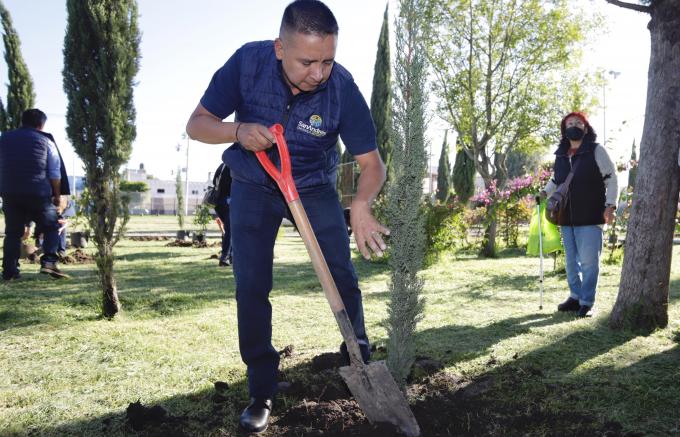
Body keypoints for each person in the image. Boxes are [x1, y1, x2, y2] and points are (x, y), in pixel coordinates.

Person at [186, 1, 388, 433]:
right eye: (307, 61)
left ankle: (358, 356)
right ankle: (261, 388)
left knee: (341, 273)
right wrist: (238, 132)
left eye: (328, 60)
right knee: (252, 284)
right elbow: (197, 125)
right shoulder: (247, 63)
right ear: (280, 48)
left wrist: (363, 204)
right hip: (254, 186)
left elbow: (373, 164)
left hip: (313, 188)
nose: (318, 73)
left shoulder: (342, 89)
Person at [541, 112, 617, 318]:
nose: (574, 126)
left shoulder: (596, 150)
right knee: (571, 262)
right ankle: (575, 297)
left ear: (585, 127)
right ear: (564, 129)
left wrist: (611, 205)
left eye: (578, 123)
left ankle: (587, 301)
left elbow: (611, 178)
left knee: (589, 261)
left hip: (591, 215)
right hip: (565, 216)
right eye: (569, 123)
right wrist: (543, 193)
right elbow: (557, 180)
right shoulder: (561, 154)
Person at [0, 109, 70, 280]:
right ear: (41, 125)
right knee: (52, 226)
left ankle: (10, 271)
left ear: (22, 122)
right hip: (38, 192)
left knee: (13, 233)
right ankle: (49, 263)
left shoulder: (3, 138)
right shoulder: (46, 141)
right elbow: (54, 173)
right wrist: (57, 195)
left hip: (10, 192)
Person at [211, 163, 233, 267]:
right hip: (229, 201)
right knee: (231, 231)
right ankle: (225, 257)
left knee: (231, 231)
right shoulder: (235, 165)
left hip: (218, 202)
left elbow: (214, 181)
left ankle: (231, 256)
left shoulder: (222, 166)